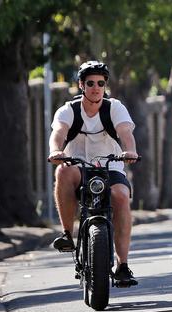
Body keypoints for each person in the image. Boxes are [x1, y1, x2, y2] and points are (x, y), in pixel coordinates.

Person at [47, 60, 139, 287]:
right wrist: (56, 151)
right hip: (78, 166)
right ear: (81, 85)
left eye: (100, 83)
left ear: (105, 85)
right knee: (63, 172)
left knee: (120, 197)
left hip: (111, 167)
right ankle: (68, 234)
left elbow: (125, 131)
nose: (96, 88)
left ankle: (123, 265)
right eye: (90, 83)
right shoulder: (68, 110)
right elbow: (58, 132)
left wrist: (130, 151)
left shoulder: (114, 108)